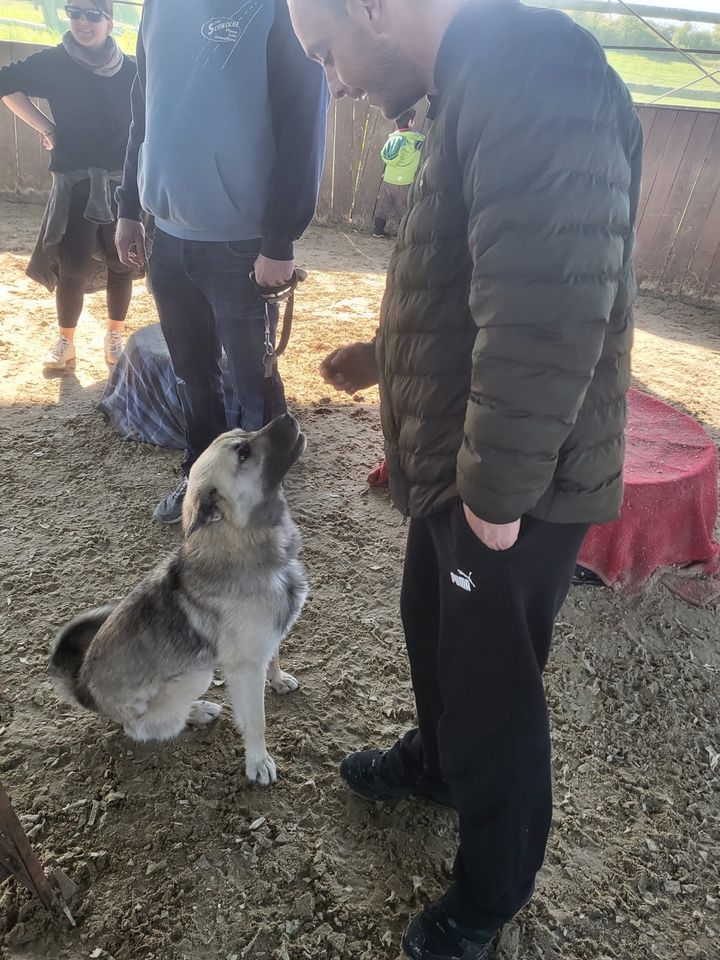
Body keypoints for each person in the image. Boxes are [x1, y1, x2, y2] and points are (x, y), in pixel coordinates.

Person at [288, 1, 642, 958]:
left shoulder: (534, 76)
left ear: (372, 7)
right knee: (433, 627)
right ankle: (441, 768)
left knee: (494, 686)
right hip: (469, 460)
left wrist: (496, 494)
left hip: (511, 481)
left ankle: (488, 894)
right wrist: (382, 353)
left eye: (328, 52)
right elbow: (477, 269)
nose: (338, 82)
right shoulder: (470, 86)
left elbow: (546, 309)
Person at [115, 0, 328, 524]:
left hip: (241, 243)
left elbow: (305, 120)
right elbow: (143, 105)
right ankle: (201, 481)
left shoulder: (278, 7)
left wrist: (279, 239)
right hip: (165, 233)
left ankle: (257, 501)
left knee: (251, 382)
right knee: (193, 376)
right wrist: (127, 206)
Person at [0, 1, 136, 371]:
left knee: (121, 261)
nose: (82, 21)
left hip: (122, 182)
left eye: (92, 14)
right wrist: (48, 128)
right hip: (75, 180)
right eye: (74, 12)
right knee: (71, 263)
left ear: (109, 21)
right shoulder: (55, 63)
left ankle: (115, 336)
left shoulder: (133, 71)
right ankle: (66, 341)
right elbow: (5, 82)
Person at [373, 107, 424, 239]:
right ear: (411, 122)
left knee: (384, 204)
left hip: (388, 179)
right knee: (403, 207)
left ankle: (378, 230)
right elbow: (424, 142)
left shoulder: (392, 139)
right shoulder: (414, 140)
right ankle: (403, 235)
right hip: (404, 181)